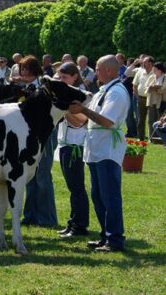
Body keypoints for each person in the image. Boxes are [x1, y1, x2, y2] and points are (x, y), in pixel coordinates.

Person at [69, 54, 129, 252]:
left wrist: (83, 111)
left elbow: (107, 121)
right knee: (98, 195)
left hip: (107, 151)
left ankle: (115, 239)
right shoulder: (103, 90)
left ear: (110, 71)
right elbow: (87, 121)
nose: (96, 72)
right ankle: (105, 236)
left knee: (109, 196)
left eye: (98, 68)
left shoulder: (117, 92)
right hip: (96, 150)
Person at [20, 55, 58, 227]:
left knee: (42, 176)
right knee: (31, 177)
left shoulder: (43, 87)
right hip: (30, 135)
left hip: (45, 135)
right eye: (22, 69)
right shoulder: (25, 88)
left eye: (27, 68)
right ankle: (30, 215)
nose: (23, 72)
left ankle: (47, 218)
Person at [55, 62, 89, 238]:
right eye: (59, 77)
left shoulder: (81, 94)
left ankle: (80, 225)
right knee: (72, 187)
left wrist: (62, 107)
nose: (61, 80)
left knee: (77, 187)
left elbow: (81, 121)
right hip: (65, 143)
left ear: (75, 77)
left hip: (75, 145)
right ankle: (73, 222)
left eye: (65, 77)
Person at [132, 56, 154, 141]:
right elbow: (134, 85)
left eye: (145, 62)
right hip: (140, 98)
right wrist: (137, 96)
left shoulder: (155, 72)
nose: (143, 64)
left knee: (151, 119)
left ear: (150, 63)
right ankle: (140, 137)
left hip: (151, 98)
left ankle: (152, 138)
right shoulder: (140, 72)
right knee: (140, 119)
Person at [146, 63, 165, 139]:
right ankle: (151, 137)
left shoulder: (165, 77)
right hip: (151, 101)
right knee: (151, 120)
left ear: (160, 70)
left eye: (155, 69)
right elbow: (146, 88)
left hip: (161, 102)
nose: (153, 71)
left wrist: (156, 89)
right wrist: (151, 88)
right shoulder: (151, 77)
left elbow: (164, 89)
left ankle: (161, 137)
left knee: (160, 120)